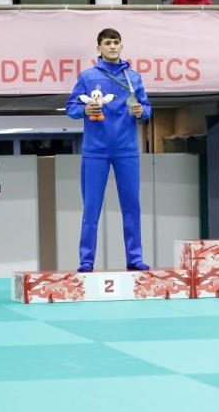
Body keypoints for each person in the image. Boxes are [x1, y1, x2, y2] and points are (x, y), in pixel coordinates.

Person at [67, 28, 151, 272]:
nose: (112, 46)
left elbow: (146, 108)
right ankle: (86, 261)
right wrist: (83, 110)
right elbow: (71, 106)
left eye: (116, 42)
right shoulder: (87, 77)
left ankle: (134, 259)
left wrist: (141, 112)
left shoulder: (133, 77)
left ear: (121, 46)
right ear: (99, 48)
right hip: (95, 151)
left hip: (127, 149)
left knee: (132, 206)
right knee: (91, 207)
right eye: (107, 43)